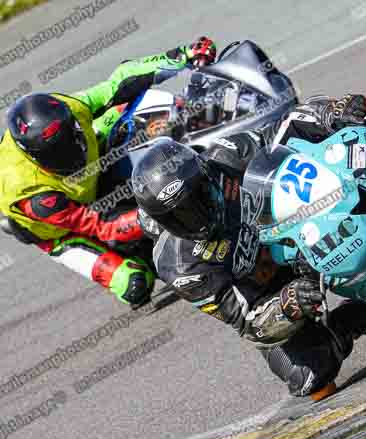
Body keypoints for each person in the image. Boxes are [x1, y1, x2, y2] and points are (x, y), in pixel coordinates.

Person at [132, 94, 366, 400]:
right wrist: (288, 303)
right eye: (179, 217)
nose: (195, 217)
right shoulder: (180, 267)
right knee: (310, 379)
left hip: (306, 225)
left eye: (198, 199)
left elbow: (283, 128)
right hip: (273, 289)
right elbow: (247, 322)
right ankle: (358, 317)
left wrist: (330, 111)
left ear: (205, 173)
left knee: (353, 143)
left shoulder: (225, 156)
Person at [0, 37, 218, 306]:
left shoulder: (68, 109)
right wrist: (159, 211)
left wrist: (184, 55)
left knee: (138, 107)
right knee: (135, 283)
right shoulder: (33, 195)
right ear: (34, 157)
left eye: (70, 137)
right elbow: (101, 226)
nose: (69, 151)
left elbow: (120, 81)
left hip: (92, 170)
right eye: (57, 151)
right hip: (67, 227)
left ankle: (207, 133)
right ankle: (138, 256)